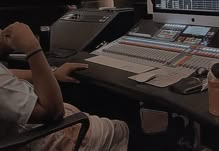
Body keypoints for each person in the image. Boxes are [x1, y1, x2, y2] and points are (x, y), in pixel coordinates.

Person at [0, 22, 129, 151]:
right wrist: (32, 48)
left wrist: (53, 74)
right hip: (54, 137)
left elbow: (8, 74)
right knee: (126, 126)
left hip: (36, 131)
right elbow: (53, 112)